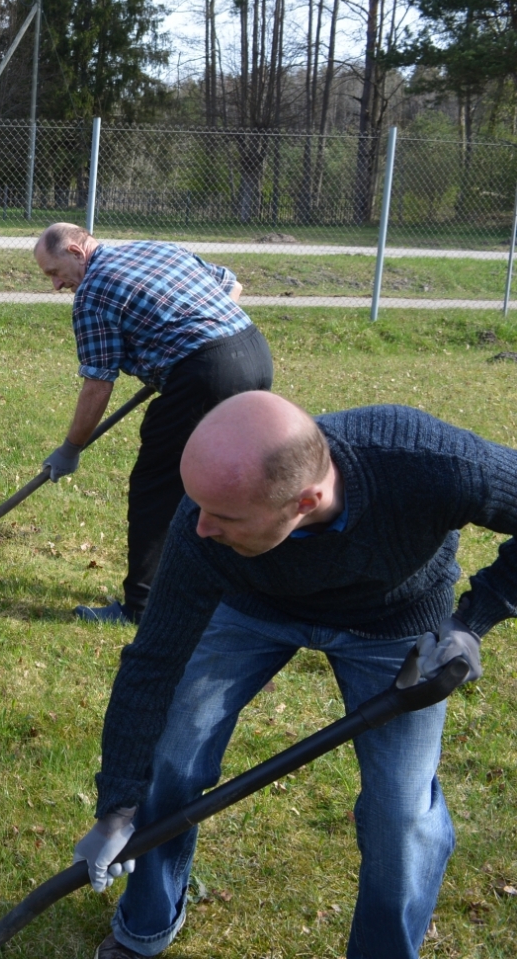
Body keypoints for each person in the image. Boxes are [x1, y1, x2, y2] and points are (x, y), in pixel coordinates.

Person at [75, 391, 510, 959]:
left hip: (394, 623)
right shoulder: (203, 520)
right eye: (197, 505)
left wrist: (477, 618)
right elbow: (153, 663)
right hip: (255, 607)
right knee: (171, 759)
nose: (199, 526)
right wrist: (118, 806)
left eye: (223, 517)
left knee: (401, 815)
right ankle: (145, 927)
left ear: (306, 500)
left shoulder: (431, 464)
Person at [31, 222, 273, 626]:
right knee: (226, 481)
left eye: (54, 273)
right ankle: (235, 594)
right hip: (253, 352)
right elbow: (231, 284)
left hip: (204, 375)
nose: (56, 285)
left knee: (155, 487)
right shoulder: (152, 248)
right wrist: (208, 334)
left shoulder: (92, 295)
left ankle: (140, 608)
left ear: (76, 251)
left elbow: (98, 383)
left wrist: (71, 447)